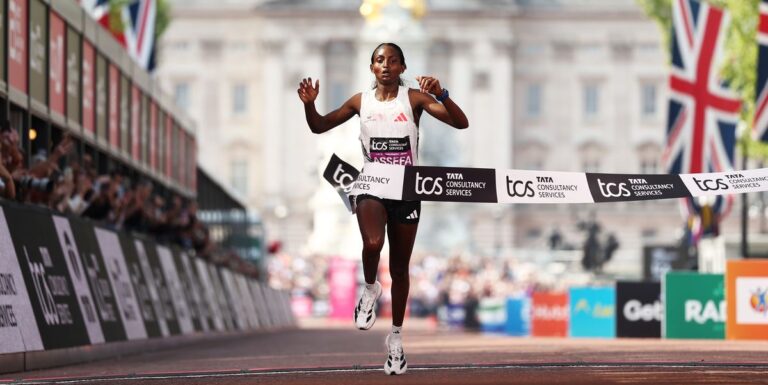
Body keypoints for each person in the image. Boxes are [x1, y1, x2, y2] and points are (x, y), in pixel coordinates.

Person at [298, 42, 468, 375]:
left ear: (402, 68)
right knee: (373, 243)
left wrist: (442, 94)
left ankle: (396, 338)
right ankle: (370, 287)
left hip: (406, 190)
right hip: (372, 184)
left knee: (401, 270)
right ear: (371, 67)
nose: (386, 65)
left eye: (392, 60)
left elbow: (460, 123)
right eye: (379, 60)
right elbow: (319, 126)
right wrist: (309, 105)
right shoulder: (360, 101)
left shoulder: (415, 99)